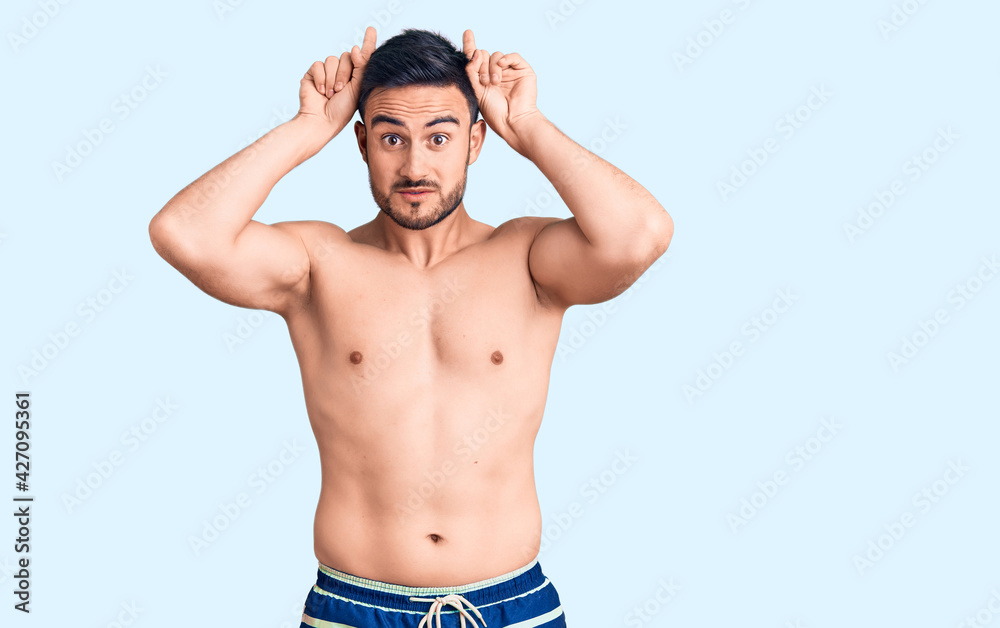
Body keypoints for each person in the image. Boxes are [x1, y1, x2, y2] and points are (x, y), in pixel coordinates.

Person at [149, 25, 672, 628]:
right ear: (363, 143)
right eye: (392, 138)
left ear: (476, 141)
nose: (415, 165)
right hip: (355, 608)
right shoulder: (319, 264)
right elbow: (183, 234)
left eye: (439, 137)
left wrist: (528, 127)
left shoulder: (528, 258)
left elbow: (642, 235)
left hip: (511, 606)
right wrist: (305, 130)